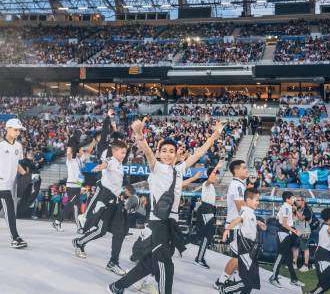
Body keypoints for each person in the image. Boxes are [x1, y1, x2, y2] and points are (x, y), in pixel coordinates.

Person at [107, 119, 224, 294]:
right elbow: (146, 151)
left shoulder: (179, 170)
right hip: (158, 223)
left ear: (176, 155)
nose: (168, 154)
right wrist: (139, 133)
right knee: (165, 266)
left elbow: (199, 153)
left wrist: (214, 136)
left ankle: (117, 286)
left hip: (171, 224)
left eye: (171, 151)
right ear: (159, 154)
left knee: (149, 264)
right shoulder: (156, 167)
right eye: (164, 151)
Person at [72, 139, 128, 276]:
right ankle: (79, 242)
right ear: (114, 151)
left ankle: (113, 262)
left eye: (125, 153)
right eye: (122, 152)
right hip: (106, 198)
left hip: (114, 200)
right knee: (101, 230)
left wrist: (121, 194)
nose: (124, 155)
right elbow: (106, 163)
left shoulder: (120, 164)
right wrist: (100, 167)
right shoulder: (111, 160)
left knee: (119, 231)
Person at [220, 188, 267, 294]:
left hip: (250, 248)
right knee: (249, 279)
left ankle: (228, 288)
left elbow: (249, 222)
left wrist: (258, 223)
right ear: (248, 200)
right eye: (256, 200)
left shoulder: (250, 212)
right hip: (245, 248)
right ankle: (225, 289)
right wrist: (227, 229)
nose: (258, 202)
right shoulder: (245, 210)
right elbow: (238, 220)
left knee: (252, 280)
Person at [215, 159, 249, 290]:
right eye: (244, 168)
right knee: (237, 257)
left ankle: (234, 280)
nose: (247, 170)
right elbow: (241, 206)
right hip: (235, 226)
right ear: (236, 170)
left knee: (240, 257)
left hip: (236, 225)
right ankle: (221, 282)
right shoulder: (237, 185)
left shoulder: (239, 184)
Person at [53, 129, 96, 233]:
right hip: (71, 186)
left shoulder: (79, 160)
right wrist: (72, 142)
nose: (82, 151)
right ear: (77, 151)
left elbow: (89, 151)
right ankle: (73, 225)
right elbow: (69, 152)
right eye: (81, 150)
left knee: (73, 206)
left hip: (77, 186)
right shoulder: (70, 160)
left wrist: (94, 142)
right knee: (74, 205)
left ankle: (62, 223)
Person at [0, 118, 28, 249]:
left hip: (8, 185)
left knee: (8, 209)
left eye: (19, 130)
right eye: (15, 130)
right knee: (10, 210)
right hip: (1, 185)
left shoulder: (18, 146)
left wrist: (27, 175)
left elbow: (17, 164)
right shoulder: (0, 145)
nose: (18, 132)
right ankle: (15, 238)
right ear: (8, 128)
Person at [269, 191, 304, 288]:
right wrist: (295, 231)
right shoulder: (285, 207)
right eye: (292, 198)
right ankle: (273, 278)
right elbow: (284, 224)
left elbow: (289, 221)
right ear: (287, 199)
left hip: (286, 233)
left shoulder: (288, 207)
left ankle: (294, 279)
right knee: (281, 256)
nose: (294, 199)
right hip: (283, 233)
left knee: (288, 258)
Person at [194, 160, 223, 269]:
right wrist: (217, 166)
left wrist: (219, 199)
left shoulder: (211, 187)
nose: (217, 178)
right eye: (216, 176)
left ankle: (200, 257)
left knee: (206, 235)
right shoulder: (207, 183)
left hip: (209, 209)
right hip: (206, 210)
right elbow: (210, 178)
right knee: (207, 235)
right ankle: (199, 258)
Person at [309, 207, 330, 294]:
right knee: (325, 284)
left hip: (327, 255)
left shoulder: (328, 227)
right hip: (322, 255)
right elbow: (329, 230)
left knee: (327, 282)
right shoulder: (326, 227)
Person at [293, 195, 313, 272]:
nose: (296, 202)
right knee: (295, 247)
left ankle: (306, 265)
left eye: (298, 200)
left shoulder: (307, 209)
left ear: (303, 201)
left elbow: (301, 218)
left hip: (304, 231)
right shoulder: (297, 208)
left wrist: (296, 211)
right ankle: (294, 263)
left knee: (305, 248)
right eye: (296, 200)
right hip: (297, 230)